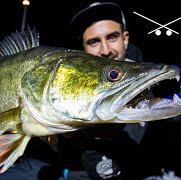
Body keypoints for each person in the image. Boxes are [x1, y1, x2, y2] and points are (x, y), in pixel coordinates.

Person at [56, 1, 149, 179]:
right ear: (83, 48)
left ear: (125, 38)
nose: (105, 50)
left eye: (112, 37)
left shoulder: (143, 81)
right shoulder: (70, 78)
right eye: (93, 42)